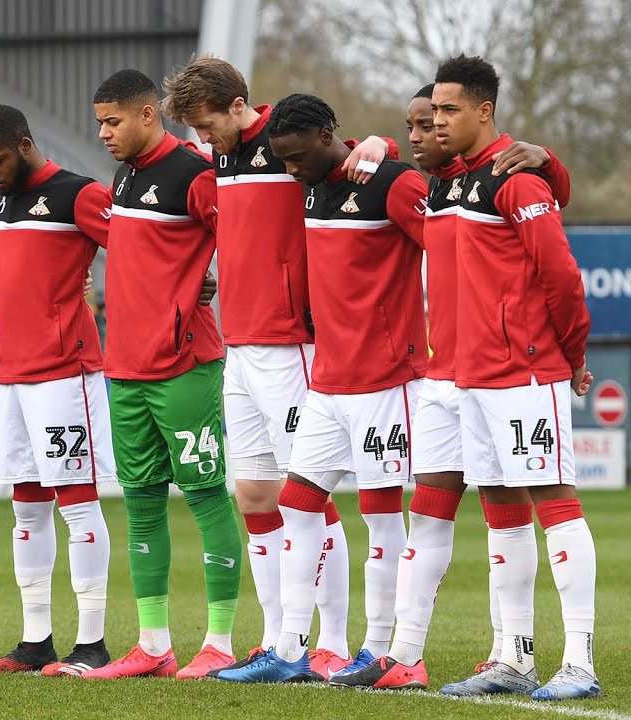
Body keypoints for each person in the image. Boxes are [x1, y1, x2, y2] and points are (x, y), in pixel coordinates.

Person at [332, 84, 571, 691]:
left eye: (438, 117)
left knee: (530, 509)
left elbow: (556, 257)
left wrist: (570, 354)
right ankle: (408, 657)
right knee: (434, 512)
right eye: (419, 120)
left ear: (479, 113)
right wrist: (378, 142)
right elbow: (352, 154)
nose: (427, 130)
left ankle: (557, 658)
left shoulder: (498, 177)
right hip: (446, 377)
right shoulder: (438, 183)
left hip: (509, 372)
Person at [160, 57, 388, 679]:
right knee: (257, 494)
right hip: (241, 346)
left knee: (308, 496)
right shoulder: (220, 157)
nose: (204, 141)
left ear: (238, 106)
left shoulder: (289, 144)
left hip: (293, 345)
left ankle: (334, 642)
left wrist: (380, 139)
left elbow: (360, 156)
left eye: (208, 126)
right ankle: (277, 639)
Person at [216, 93, 427, 684]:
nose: (288, 169)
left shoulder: (392, 182)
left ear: (329, 133)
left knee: (383, 516)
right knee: (296, 504)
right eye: (279, 158)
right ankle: (288, 651)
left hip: (387, 379)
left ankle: (389, 656)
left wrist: (384, 145)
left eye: (294, 156)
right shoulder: (311, 186)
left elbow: (455, 247)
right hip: (329, 381)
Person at [432, 55, 598, 701]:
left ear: (484, 111)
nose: (439, 121)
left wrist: (573, 354)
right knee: (502, 517)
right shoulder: (454, 182)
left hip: (526, 371)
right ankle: (515, 658)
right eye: (434, 110)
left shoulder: (517, 181)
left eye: (450, 110)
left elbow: (561, 275)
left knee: (555, 503)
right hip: (472, 376)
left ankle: (579, 662)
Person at [79, 69, 242, 680]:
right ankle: (153, 645)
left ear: (149, 115)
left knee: (205, 494)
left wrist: (214, 275)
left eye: (112, 121)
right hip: (124, 365)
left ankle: (220, 644)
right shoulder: (124, 176)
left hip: (184, 365)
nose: (103, 133)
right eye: (99, 121)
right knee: (142, 504)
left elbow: (243, 234)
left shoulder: (195, 174)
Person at [0, 104, 115, 676]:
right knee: (26, 508)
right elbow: (6, 275)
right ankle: (35, 642)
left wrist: (192, 281)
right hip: (9, 373)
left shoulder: (79, 194)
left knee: (77, 503)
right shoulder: (0, 201)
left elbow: (135, 248)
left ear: (24, 145)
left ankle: (93, 642)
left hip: (63, 370)